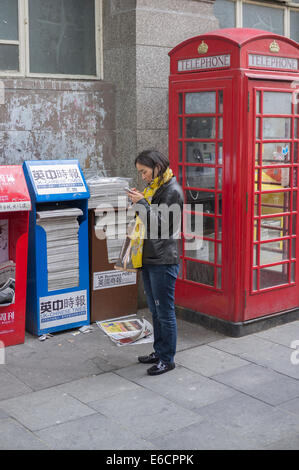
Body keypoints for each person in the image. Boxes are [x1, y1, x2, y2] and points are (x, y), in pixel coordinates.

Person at [127, 149, 183, 376]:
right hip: (149, 256)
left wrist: (141, 203)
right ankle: (159, 351)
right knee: (155, 309)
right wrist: (140, 200)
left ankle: (167, 359)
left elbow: (161, 226)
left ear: (157, 167)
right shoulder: (156, 188)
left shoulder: (172, 191)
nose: (143, 177)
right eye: (140, 172)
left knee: (165, 311)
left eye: (145, 171)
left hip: (163, 260)